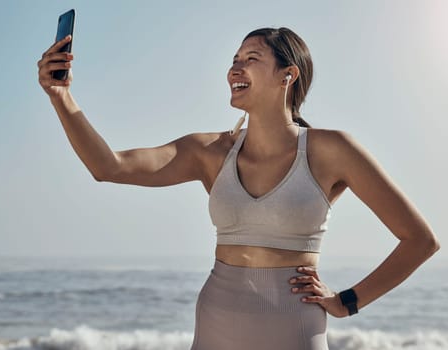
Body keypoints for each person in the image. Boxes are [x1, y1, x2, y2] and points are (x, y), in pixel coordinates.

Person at [37, 27, 440, 350]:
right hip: (218, 319)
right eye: (234, 60)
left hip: (293, 325)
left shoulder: (331, 150)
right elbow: (108, 167)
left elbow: (420, 240)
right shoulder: (209, 151)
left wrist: (347, 301)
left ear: (288, 74)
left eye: (251, 59)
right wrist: (61, 96)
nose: (235, 69)